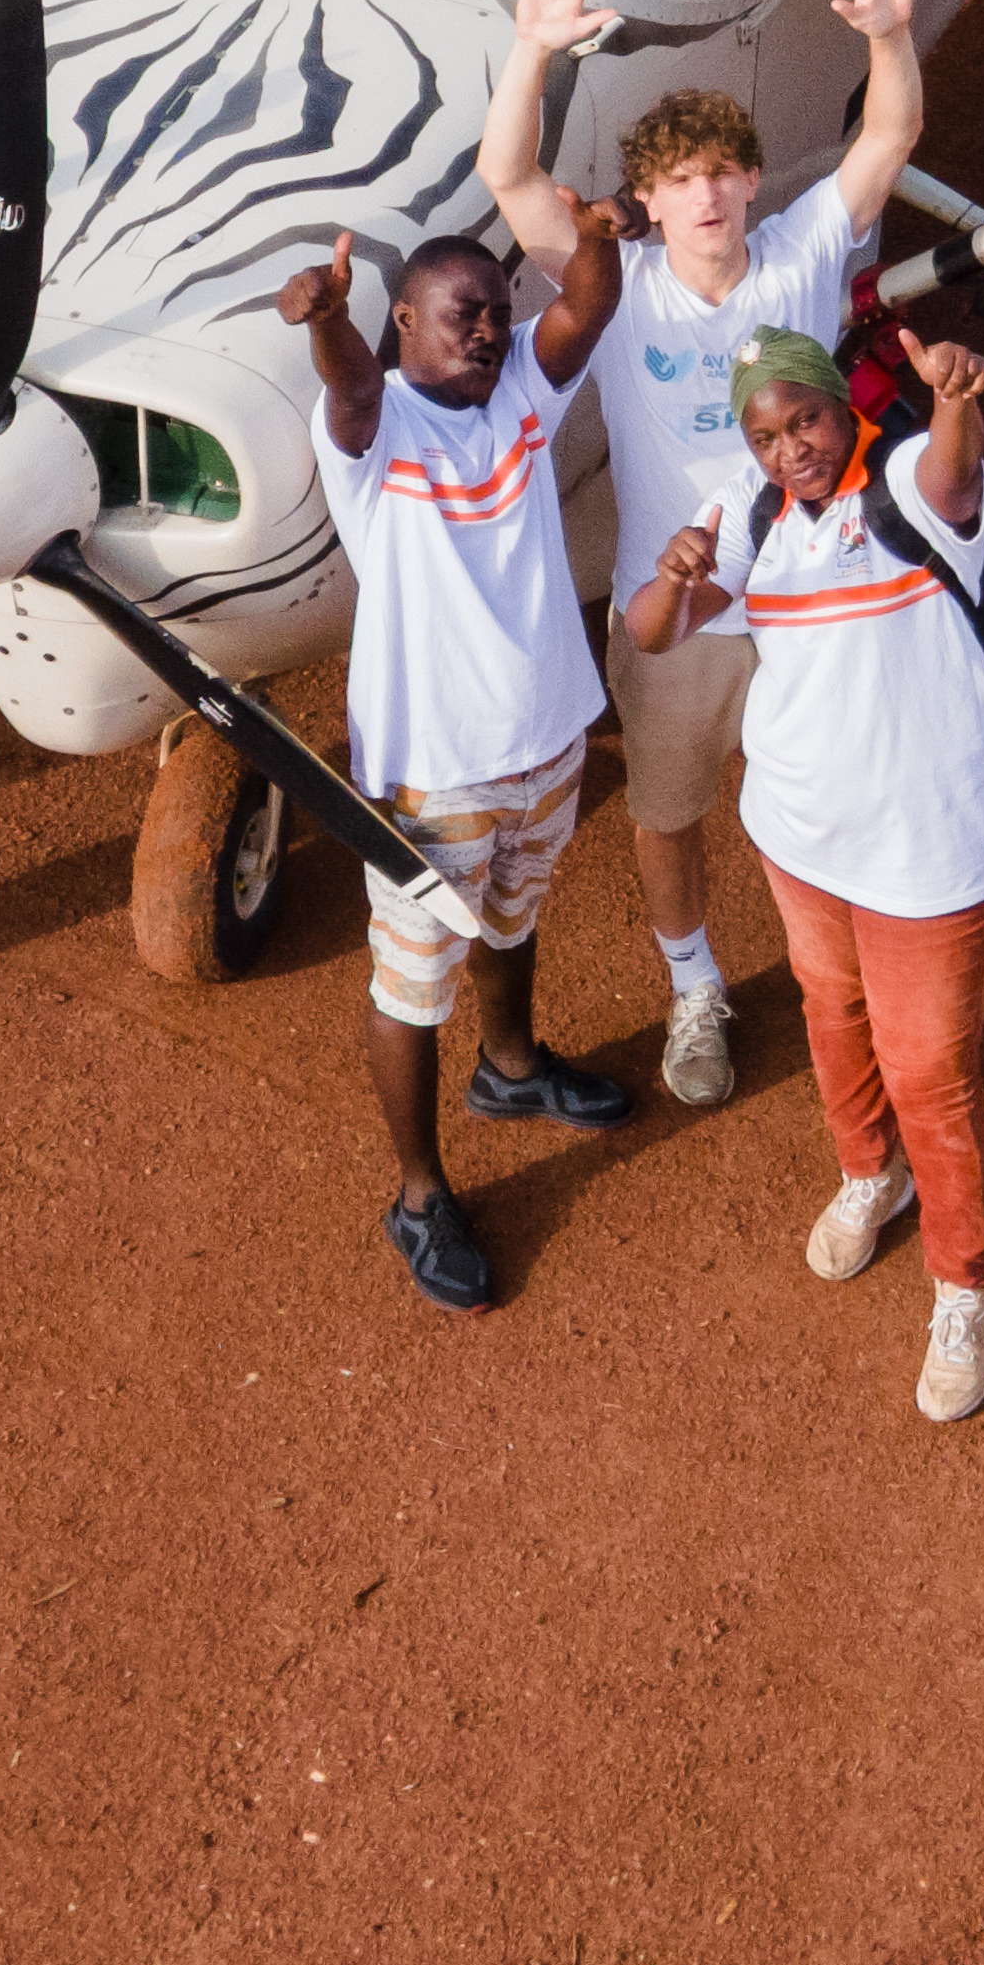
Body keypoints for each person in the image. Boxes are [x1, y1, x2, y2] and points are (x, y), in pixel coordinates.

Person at [480, 0, 922, 1110]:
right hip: (670, 615)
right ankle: (694, 987)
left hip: (810, 602)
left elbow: (886, 137)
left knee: (841, 798)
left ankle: (861, 980)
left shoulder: (803, 251)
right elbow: (514, 183)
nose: (711, 192)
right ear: (650, 199)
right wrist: (530, 51)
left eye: (726, 169)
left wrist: (884, 33)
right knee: (668, 818)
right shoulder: (612, 287)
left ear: (748, 180)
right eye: (681, 179)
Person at [624, 324, 984, 1425]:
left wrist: (952, 395)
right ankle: (867, 1175)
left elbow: (951, 463)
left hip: (927, 843)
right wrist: (670, 574)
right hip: (800, 832)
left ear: (839, 405)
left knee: (931, 1073)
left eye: (802, 419)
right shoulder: (751, 517)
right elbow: (655, 635)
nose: (787, 447)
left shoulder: (901, 478)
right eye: (764, 434)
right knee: (830, 1011)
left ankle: (963, 1287)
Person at [288, 204, 634, 1308]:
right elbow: (346, 388)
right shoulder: (375, 423)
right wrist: (327, 326)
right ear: (403, 323)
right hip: (429, 777)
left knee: (516, 919)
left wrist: (596, 236)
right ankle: (418, 1193)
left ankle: (513, 1069)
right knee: (411, 987)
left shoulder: (524, 392)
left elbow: (584, 308)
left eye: (495, 312)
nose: (487, 331)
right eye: (459, 316)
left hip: (547, 744)